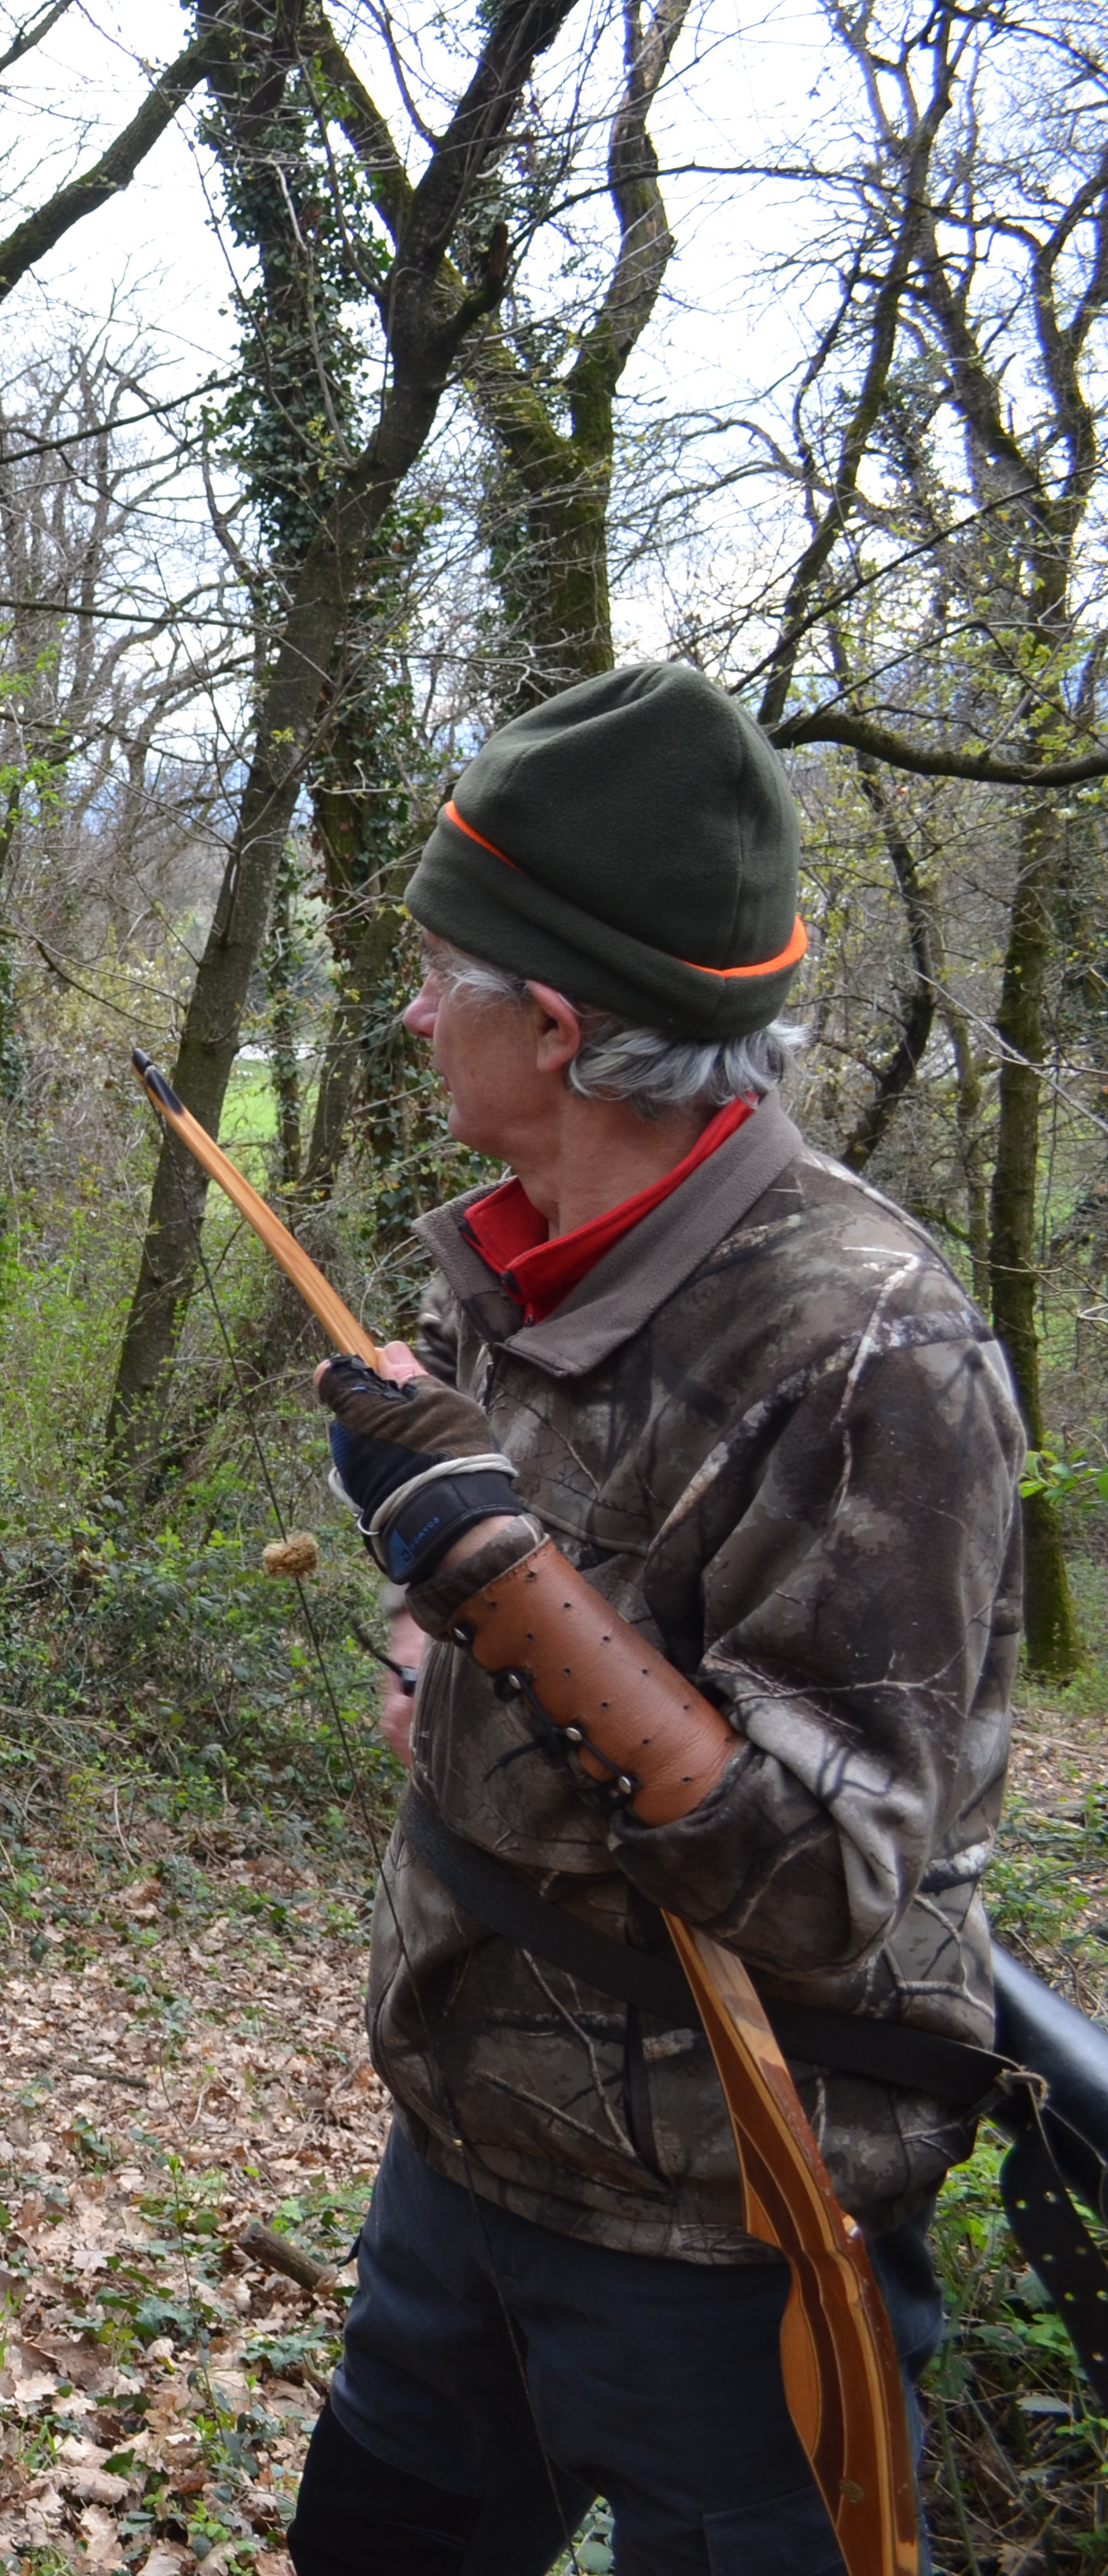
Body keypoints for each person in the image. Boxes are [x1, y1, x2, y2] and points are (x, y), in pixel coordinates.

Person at [284, 664, 1020, 2573]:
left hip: (727, 2238)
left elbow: (823, 1887)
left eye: (440, 973)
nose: (411, 1009)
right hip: (462, 2159)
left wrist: (498, 1589)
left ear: (551, 1021)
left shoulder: (869, 1349)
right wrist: (428, 1639)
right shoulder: (510, 1259)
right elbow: (474, 1620)